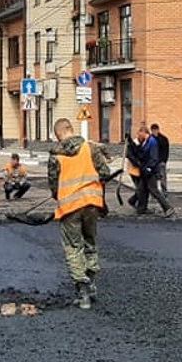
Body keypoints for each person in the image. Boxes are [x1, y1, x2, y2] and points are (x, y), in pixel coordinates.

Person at [48, 118, 113, 309]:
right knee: (90, 242)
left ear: (57, 134)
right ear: (71, 129)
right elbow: (105, 173)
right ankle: (91, 283)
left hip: (69, 208)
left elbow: (53, 187)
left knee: (73, 247)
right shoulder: (90, 149)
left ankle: (82, 292)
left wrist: (61, 194)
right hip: (92, 203)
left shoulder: (55, 156)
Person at [134, 125, 175, 217]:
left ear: (144, 133)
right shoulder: (147, 141)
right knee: (141, 189)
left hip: (150, 171)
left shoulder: (152, 142)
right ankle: (141, 209)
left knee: (154, 190)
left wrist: (149, 168)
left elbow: (154, 157)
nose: (139, 136)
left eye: (139, 133)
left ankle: (168, 208)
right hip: (145, 170)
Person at [149, 122, 170, 194]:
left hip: (161, 161)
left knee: (162, 177)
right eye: (153, 130)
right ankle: (154, 192)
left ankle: (164, 192)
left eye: (155, 130)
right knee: (152, 178)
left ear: (158, 130)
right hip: (152, 162)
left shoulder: (163, 139)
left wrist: (164, 161)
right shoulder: (149, 139)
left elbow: (166, 151)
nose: (154, 132)